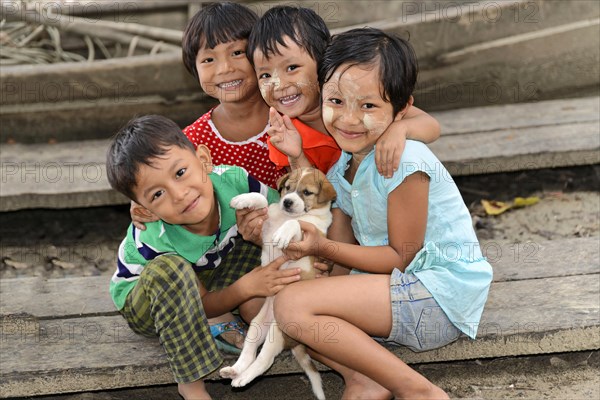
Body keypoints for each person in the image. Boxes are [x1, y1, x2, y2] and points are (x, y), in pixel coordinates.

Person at [273, 28, 494, 399]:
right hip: (397, 290)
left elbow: (400, 257)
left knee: (292, 306)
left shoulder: (405, 161)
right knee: (292, 306)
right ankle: (363, 380)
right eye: (337, 101)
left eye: (369, 106)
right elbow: (342, 247)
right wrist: (320, 264)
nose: (349, 119)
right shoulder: (344, 166)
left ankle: (419, 390)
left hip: (435, 296)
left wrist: (323, 252)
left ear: (401, 108)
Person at [106, 115, 302, 400]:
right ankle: (192, 385)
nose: (180, 194)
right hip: (151, 299)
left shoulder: (235, 181)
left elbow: (287, 219)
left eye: (180, 172)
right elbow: (198, 304)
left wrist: (263, 231)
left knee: (256, 234)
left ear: (204, 160)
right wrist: (246, 287)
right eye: (158, 194)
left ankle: (239, 313)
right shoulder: (154, 234)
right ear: (145, 208)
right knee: (171, 270)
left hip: (210, 268)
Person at [247, 5, 441, 176]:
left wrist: (400, 129)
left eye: (291, 68)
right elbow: (310, 193)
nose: (278, 84)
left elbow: (431, 126)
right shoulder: (282, 134)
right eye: (265, 75)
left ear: (324, 60)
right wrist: (297, 156)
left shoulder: (356, 98)